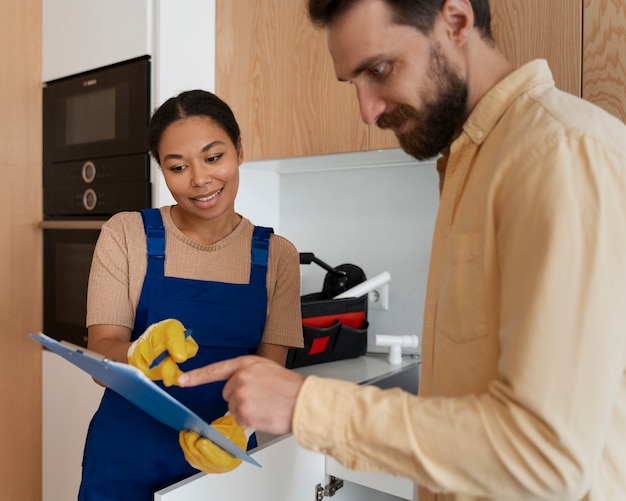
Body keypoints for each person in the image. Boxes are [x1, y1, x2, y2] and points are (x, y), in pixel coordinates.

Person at [177, 0, 626, 500]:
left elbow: (547, 455)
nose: (367, 110)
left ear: (455, 22)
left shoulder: (559, 153)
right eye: (354, 83)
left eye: (380, 70)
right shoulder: (468, 166)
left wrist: (307, 404)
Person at [78, 89, 304, 500]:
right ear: (162, 170)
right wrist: (135, 353)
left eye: (214, 157)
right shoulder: (126, 234)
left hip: (220, 460)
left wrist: (241, 428)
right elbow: (97, 358)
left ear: (238, 149)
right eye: (178, 166)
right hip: (123, 455)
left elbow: (270, 378)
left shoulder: (278, 257)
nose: (199, 179)